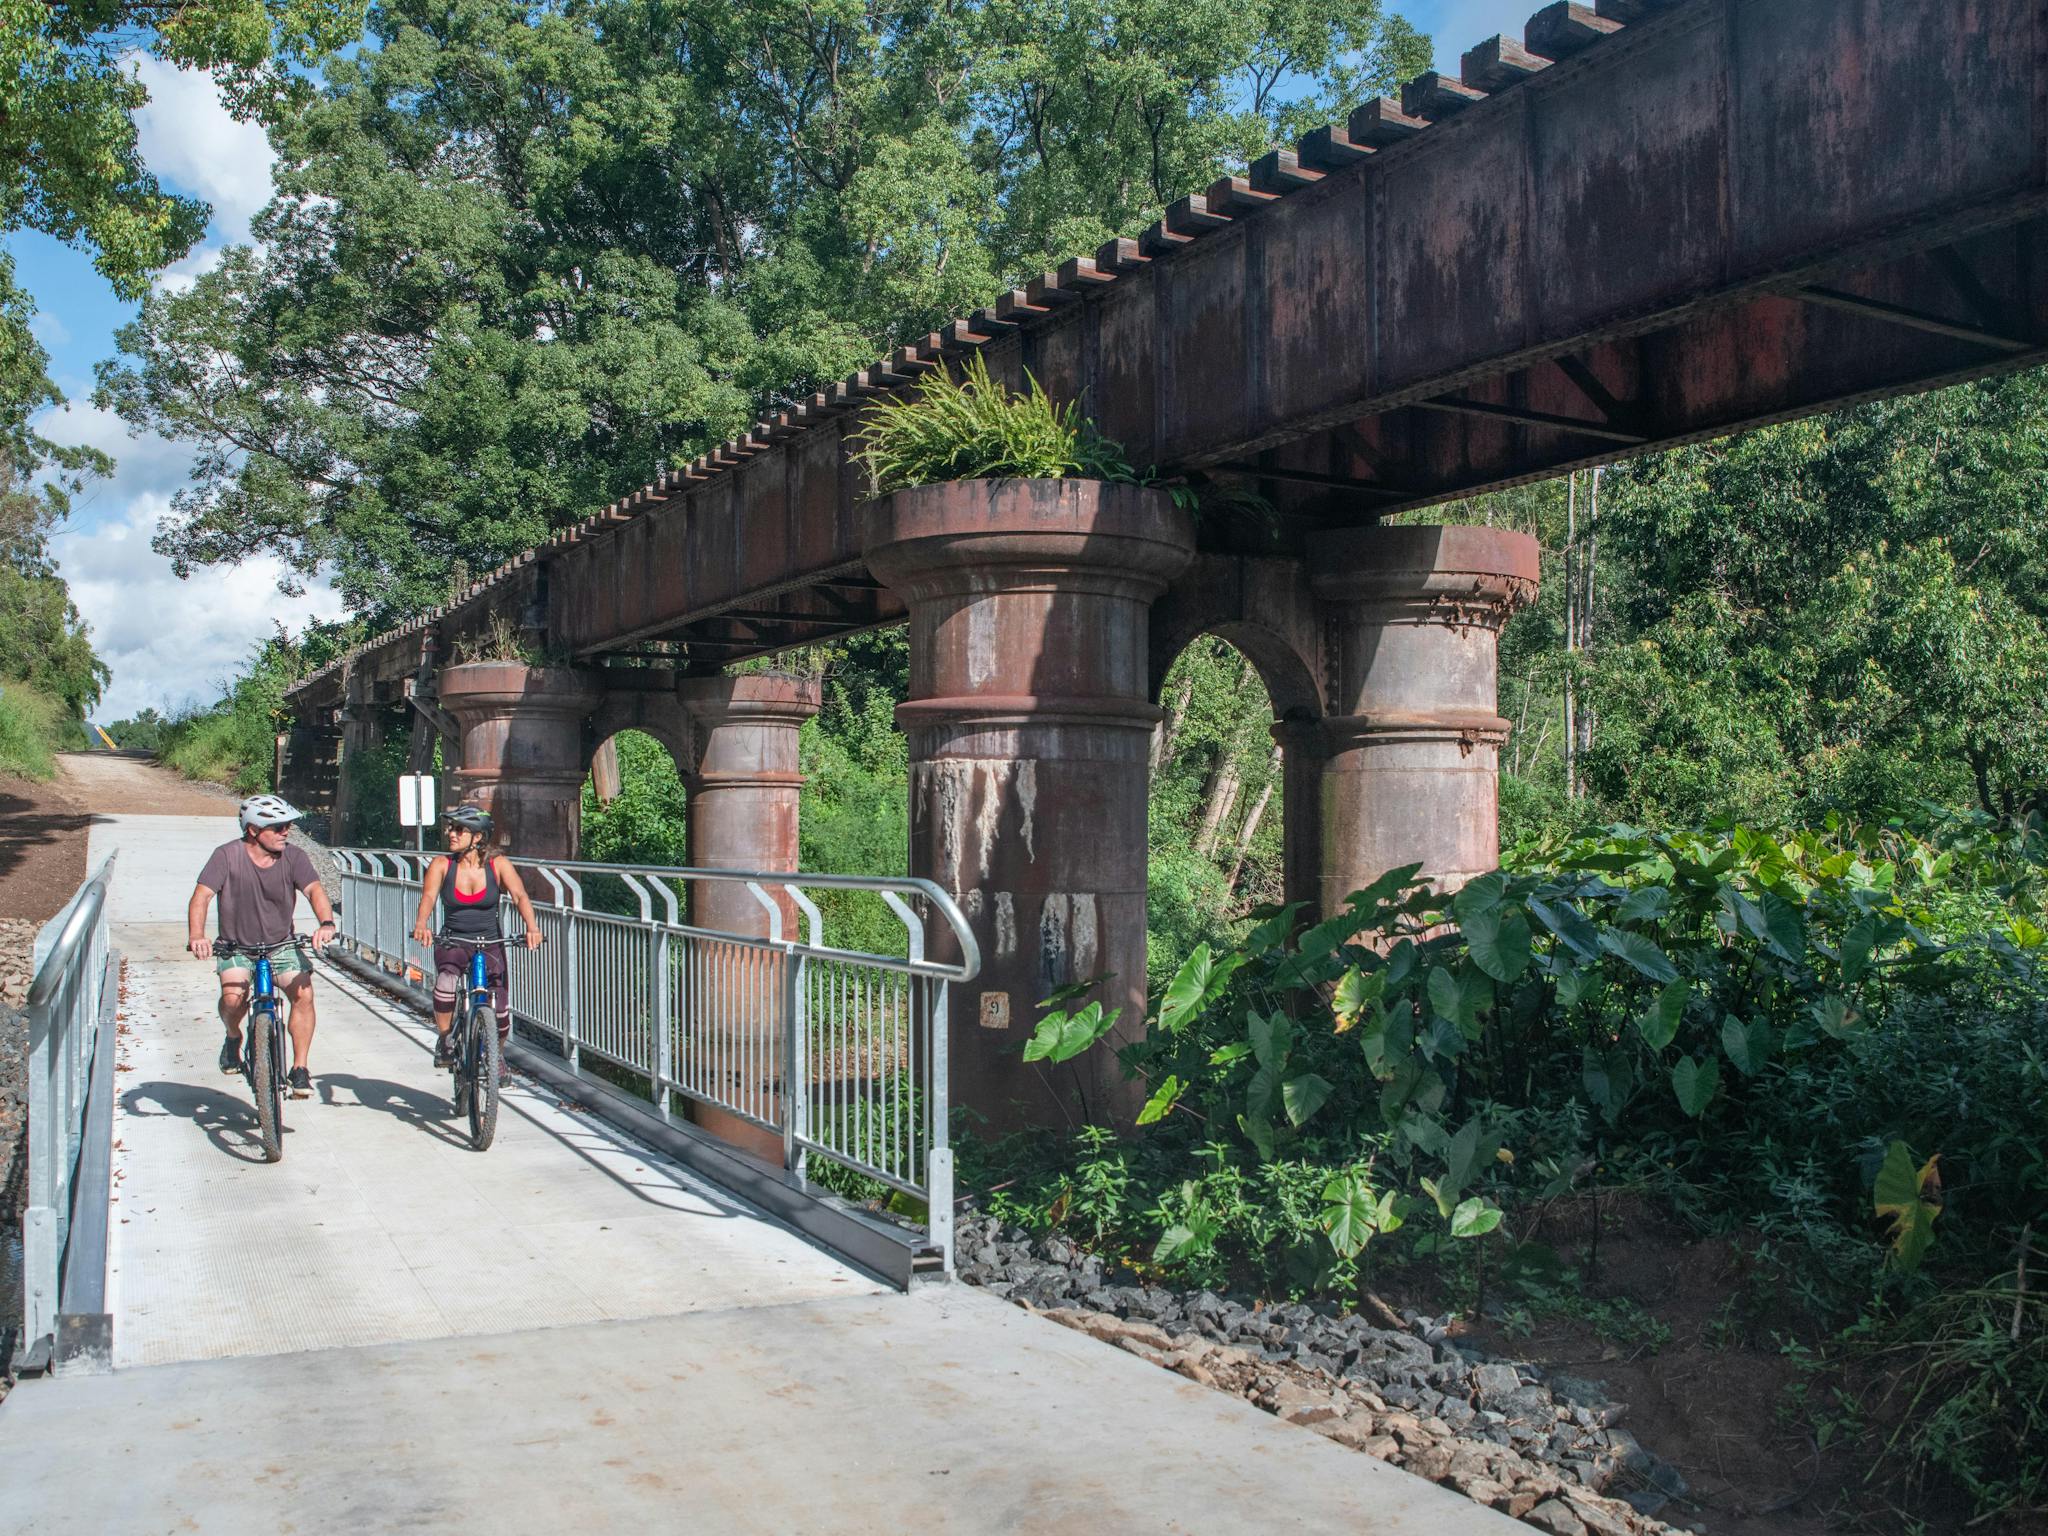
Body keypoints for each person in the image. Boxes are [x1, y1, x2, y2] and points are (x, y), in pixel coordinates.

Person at [188, 794, 337, 1099]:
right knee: (232, 999)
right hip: (236, 946)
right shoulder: (226, 856)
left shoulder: (294, 857)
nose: (286, 832)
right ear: (254, 830)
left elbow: (315, 891)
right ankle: (233, 1037)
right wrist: (197, 935)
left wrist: (326, 924)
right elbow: (201, 897)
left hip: (281, 945)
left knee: (303, 994)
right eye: (278, 826)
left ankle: (299, 1068)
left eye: (288, 826)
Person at [409, 804, 543, 1067]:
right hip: (454, 940)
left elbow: (519, 895)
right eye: (452, 829)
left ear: (478, 837)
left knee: (501, 1012)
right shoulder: (442, 865)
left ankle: (496, 1056)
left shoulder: (498, 865)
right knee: (446, 984)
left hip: (490, 942)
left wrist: (532, 928)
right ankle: (446, 1039)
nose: (452, 834)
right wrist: (422, 924)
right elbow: (428, 896)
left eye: (460, 830)